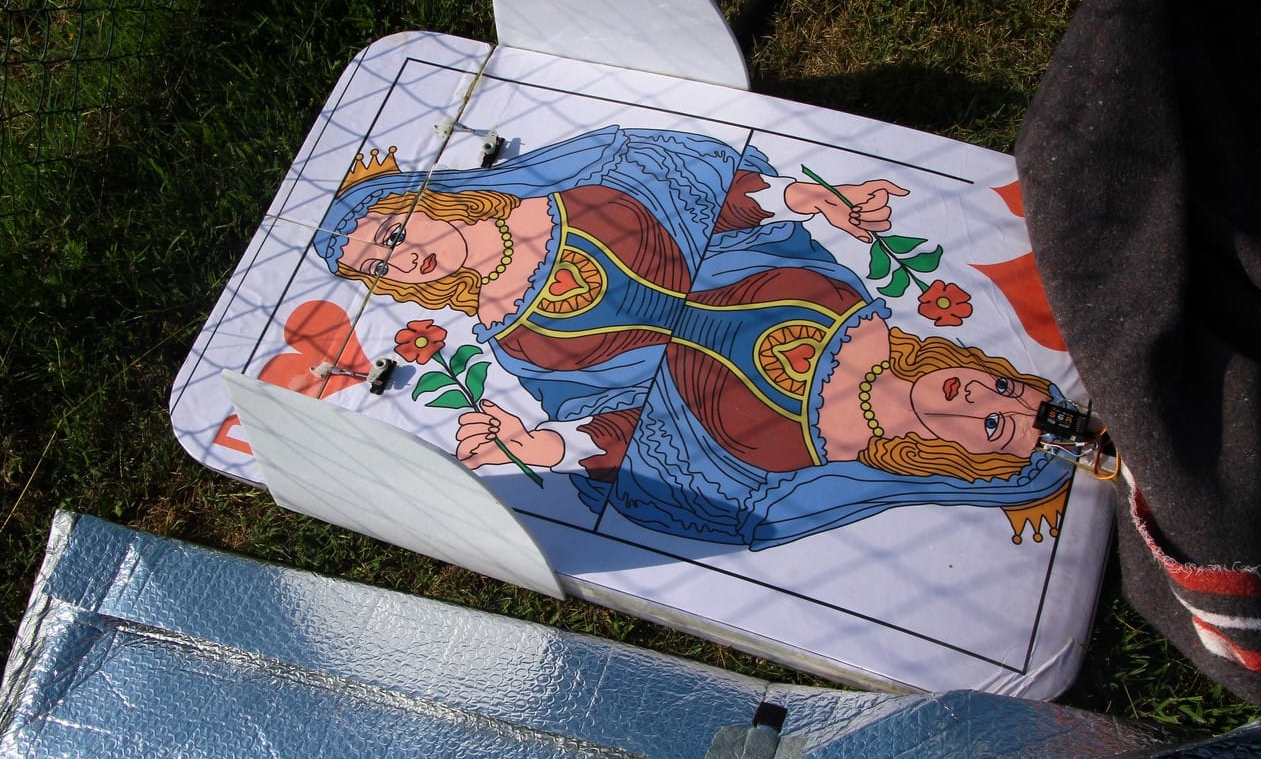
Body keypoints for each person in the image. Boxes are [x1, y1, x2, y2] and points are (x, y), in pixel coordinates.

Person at [314, 126, 1072, 548]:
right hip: (738, 421)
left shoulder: (590, 173)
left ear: (423, 198)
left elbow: (713, 190)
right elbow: (618, 421)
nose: (401, 258)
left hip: (795, 318)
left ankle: (1022, 445)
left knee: (921, 402)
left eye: (392, 232)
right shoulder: (506, 338)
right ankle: (1011, 451)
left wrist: (812, 199)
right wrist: (543, 446)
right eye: (378, 266)